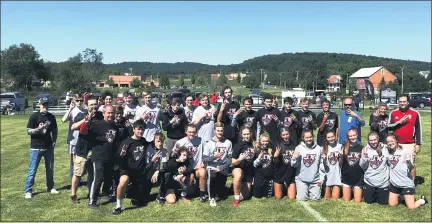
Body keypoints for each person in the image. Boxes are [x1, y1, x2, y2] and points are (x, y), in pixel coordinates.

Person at [80, 105, 119, 209]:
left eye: (112, 113)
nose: (110, 115)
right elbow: (84, 133)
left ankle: (105, 194)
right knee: (98, 179)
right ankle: (92, 201)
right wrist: (86, 123)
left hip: (110, 157)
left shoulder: (115, 127)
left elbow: (115, 142)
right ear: (104, 113)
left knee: (107, 178)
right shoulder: (97, 125)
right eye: (108, 113)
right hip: (98, 157)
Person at [112, 120, 150, 214]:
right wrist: (122, 154)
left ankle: (131, 193)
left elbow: (153, 145)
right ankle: (118, 205)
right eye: (138, 129)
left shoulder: (143, 141)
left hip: (140, 172)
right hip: (127, 170)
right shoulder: (127, 142)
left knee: (138, 201)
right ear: (133, 129)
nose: (140, 131)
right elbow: (118, 158)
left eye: (142, 129)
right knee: (124, 180)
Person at [24, 97, 59, 199]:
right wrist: (38, 129)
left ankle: (50, 187)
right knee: (32, 170)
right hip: (36, 148)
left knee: (50, 169)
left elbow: (55, 130)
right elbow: (28, 131)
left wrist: (54, 141)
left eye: (47, 105)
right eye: (43, 105)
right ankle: (28, 191)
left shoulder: (51, 117)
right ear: (40, 105)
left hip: (48, 147)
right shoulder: (34, 116)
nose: (45, 107)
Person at [70, 96, 101, 204]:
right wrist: (85, 119)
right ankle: (73, 194)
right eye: (91, 104)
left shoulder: (100, 116)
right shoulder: (81, 115)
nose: (93, 106)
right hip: (82, 149)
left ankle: (91, 193)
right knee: (78, 173)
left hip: (95, 149)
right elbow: (73, 127)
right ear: (87, 105)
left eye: (95, 104)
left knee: (92, 174)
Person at [386, 134, 428, 209]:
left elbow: (412, 168)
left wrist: (412, 181)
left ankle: (422, 200)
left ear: (396, 141)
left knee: (411, 207)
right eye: (388, 142)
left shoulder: (405, 152)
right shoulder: (387, 152)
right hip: (394, 183)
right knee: (392, 204)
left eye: (392, 141)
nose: (390, 143)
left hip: (406, 184)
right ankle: (402, 197)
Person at [388, 94, 422, 182]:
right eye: (400, 102)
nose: (402, 103)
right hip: (396, 144)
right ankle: (398, 182)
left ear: (408, 102)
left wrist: (418, 144)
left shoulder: (415, 113)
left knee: (410, 164)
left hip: (409, 143)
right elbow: (389, 127)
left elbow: (418, 129)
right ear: (398, 102)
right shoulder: (393, 113)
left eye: (404, 101)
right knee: (396, 164)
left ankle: (411, 184)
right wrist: (399, 122)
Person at [172, 124, 207, 202]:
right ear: (186, 131)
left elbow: (206, 154)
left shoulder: (201, 140)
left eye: (194, 132)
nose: (192, 134)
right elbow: (173, 156)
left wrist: (204, 163)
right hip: (186, 168)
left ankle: (202, 195)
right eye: (190, 132)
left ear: (196, 132)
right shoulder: (180, 142)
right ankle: (185, 193)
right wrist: (179, 165)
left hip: (197, 167)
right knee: (190, 179)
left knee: (203, 172)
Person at [203, 122, 233, 207]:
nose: (220, 132)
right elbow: (204, 159)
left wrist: (222, 167)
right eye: (218, 130)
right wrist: (213, 157)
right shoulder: (208, 143)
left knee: (221, 188)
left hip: (222, 166)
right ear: (214, 131)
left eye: (221, 131)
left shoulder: (228, 142)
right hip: (212, 166)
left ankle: (219, 191)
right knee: (213, 178)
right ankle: (211, 197)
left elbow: (229, 158)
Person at [291, 130, 325, 201]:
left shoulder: (318, 148)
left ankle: (313, 190)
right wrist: (295, 158)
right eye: (306, 137)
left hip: (315, 181)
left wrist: (321, 178)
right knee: (301, 199)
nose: (309, 139)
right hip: (301, 180)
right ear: (303, 138)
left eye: (310, 137)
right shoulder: (298, 148)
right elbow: (293, 165)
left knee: (316, 199)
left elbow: (321, 165)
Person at [359, 132, 390, 205]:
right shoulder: (365, 149)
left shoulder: (385, 148)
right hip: (369, 181)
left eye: (375, 140)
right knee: (368, 202)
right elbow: (362, 166)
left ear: (378, 139)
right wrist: (365, 157)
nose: (373, 142)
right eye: (371, 140)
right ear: (368, 141)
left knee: (383, 203)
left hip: (383, 182)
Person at [61, 94, 87, 180]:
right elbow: (63, 120)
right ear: (74, 101)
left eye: (81, 100)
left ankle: (80, 176)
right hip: (73, 139)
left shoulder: (85, 111)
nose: (79, 102)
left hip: (82, 138)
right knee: (73, 159)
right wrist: (70, 109)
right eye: (77, 100)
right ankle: (73, 176)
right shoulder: (72, 111)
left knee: (81, 158)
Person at [231, 126, 256, 206]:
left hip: (249, 170)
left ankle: (235, 188)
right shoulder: (238, 145)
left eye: (248, 134)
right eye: (244, 134)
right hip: (239, 167)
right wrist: (240, 159)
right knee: (238, 176)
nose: (246, 136)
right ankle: (236, 199)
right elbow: (233, 162)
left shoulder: (253, 144)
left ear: (251, 134)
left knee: (246, 196)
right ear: (241, 135)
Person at [144, 133, 169, 205]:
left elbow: (165, 166)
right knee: (141, 200)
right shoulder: (148, 149)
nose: (160, 143)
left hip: (157, 171)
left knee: (166, 174)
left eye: (162, 141)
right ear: (153, 141)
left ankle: (161, 195)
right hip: (147, 170)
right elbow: (146, 166)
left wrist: (157, 171)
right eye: (158, 141)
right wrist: (152, 161)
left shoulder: (164, 150)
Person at [340, 129, 364, 203]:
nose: (352, 137)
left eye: (354, 135)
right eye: (350, 136)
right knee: (346, 200)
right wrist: (340, 156)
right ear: (348, 137)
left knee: (358, 201)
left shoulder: (362, 148)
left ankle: (356, 189)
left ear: (357, 135)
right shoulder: (344, 148)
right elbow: (340, 164)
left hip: (358, 177)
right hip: (346, 177)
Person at [273, 128, 297, 200]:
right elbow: (275, 163)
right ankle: (283, 187)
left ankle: (287, 186)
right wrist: (275, 156)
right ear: (280, 136)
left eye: (287, 134)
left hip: (290, 173)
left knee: (292, 198)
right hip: (280, 173)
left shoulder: (294, 145)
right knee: (278, 197)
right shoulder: (278, 146)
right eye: (283, 135)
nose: (285, 136)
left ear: (289, 134)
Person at [252, 133, 275, 198]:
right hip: (259, 176)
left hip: (269, 177)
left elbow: (274, 163)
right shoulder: (256, 150)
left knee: (268, 196)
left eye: (267, 141)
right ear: (260, 141)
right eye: (263, 141)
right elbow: (254, 165)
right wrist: (259, 159)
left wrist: (272, 157)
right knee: (257, 196)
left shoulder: (271, 150)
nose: (265, 143)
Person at [322, 131, 342, 200]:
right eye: (328, 137)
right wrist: (324, 160)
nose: (331, 139)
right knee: (326, 198)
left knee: (335, 198)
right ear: (326, 138)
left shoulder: (340, 146)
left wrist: (341, 156)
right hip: (327, 176)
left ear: (335, 137)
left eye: (332, 136)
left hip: (337, 175)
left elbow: (342, 164)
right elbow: (323, 166)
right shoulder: (323, 148)